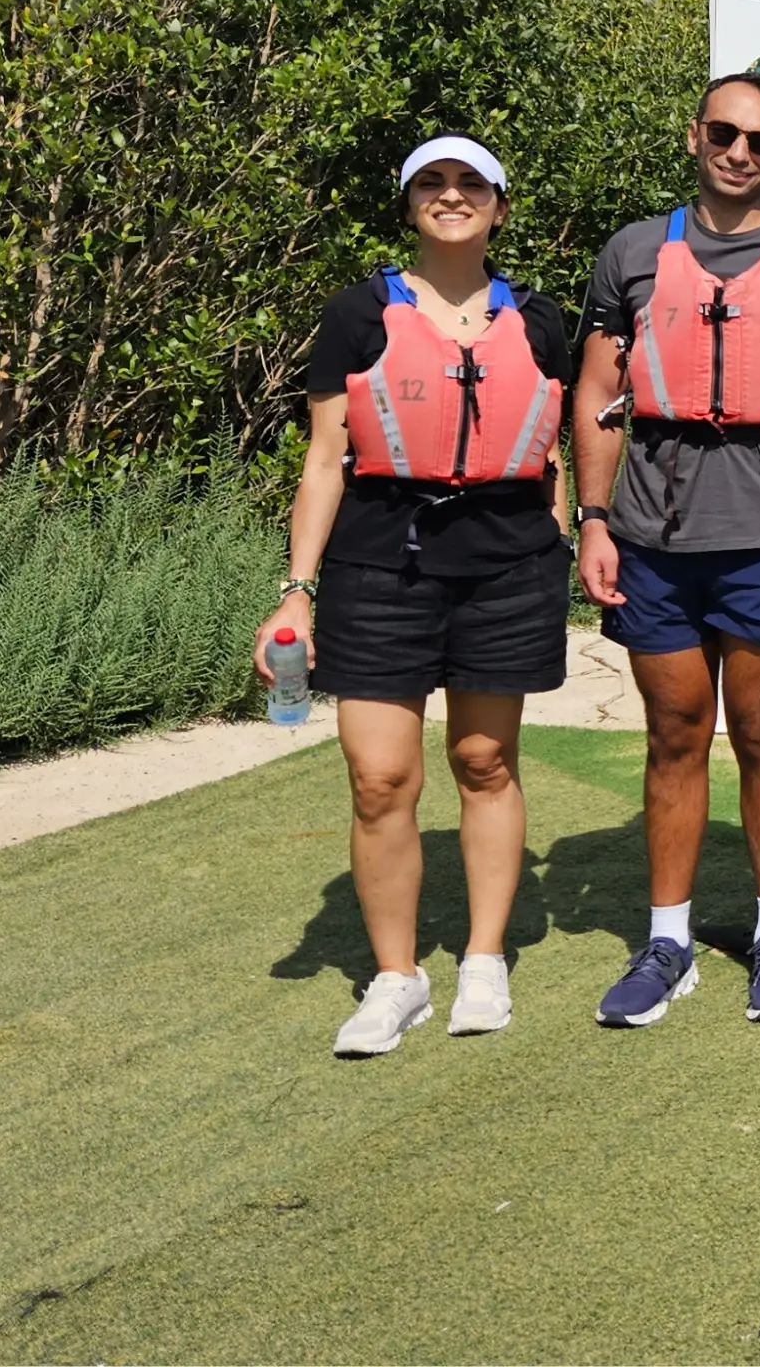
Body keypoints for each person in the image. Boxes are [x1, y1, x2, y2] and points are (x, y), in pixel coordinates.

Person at [256, 137, 576, 1056]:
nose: (451, 196)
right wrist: (296, 593)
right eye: (430, 183)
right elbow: (324, 463)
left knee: (484, 760)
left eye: (470, 182)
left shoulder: (543, 321)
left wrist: (553, 542)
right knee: (379, 777)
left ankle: (483, 959)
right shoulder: (357, 313)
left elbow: (550, 449)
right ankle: (396, 978)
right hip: (379, 566)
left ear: (500, 206)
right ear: (407, 206)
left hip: (507, 568)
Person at [574, 72, 760, 1028]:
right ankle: (667, 940)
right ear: (696, 135)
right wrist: (590, 517)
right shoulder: (631, 253)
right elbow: (594, 396)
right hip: (651, 537)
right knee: (671, 734)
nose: (741, 153)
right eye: (725, 133)